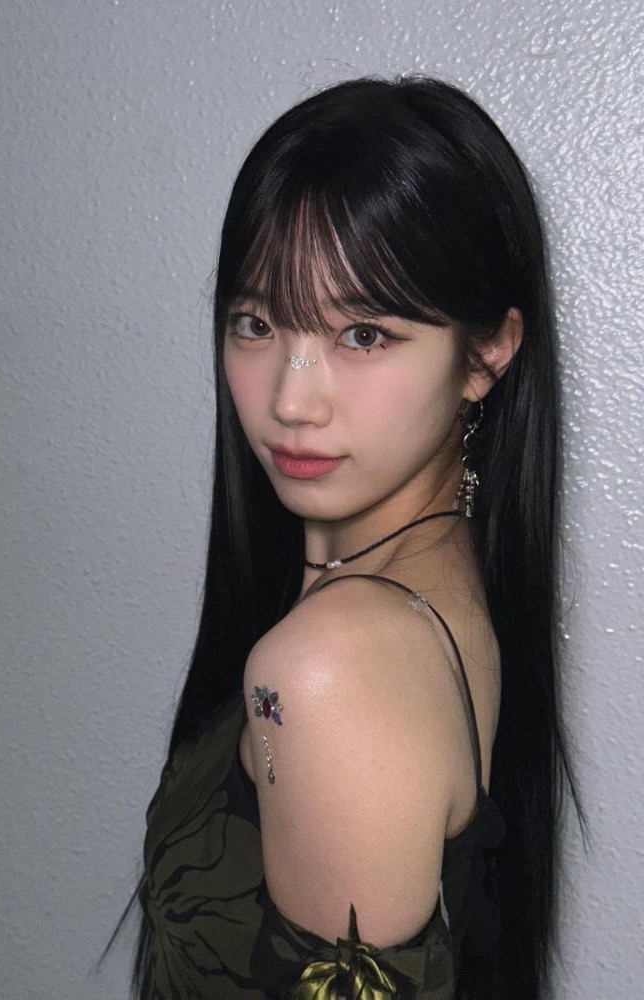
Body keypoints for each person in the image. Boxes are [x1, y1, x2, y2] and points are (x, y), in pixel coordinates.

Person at [126, 76, 576, 999]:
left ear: (487, 352)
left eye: (363, 334)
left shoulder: (328, 668)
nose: (291, 400)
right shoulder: (440, 580)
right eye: (256, 323)